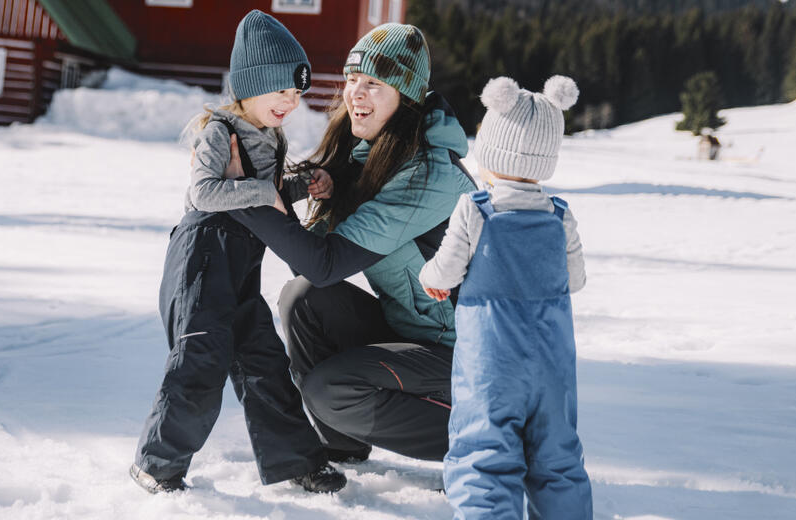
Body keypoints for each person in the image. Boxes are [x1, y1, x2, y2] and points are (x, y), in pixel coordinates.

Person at [227, 23, 477, 463]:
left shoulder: (430, 177)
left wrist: (244, 198)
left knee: (332, 391)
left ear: (407, 97)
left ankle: (482, 439)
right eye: (353, 80)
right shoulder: (369, 155)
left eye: (375, 85)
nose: (355, 94)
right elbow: (311, 268)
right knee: (302, 298)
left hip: (463, 356)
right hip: (410, 330)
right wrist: (283, 187)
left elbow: (324, 263)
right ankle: (341, 442)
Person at [130, 10, 345, 495]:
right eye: (282, 91)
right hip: (202, 262)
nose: (292, 102)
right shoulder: (219, 132)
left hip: (241, 268)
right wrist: (261, 192)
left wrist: (302, 185)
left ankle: (298, 460)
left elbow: (261, 192)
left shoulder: (268, 135)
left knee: (265, 362)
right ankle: (157, 465)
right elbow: (207, 193)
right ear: (250, 85)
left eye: (297, 93)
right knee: (200, 363)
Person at [418, 76, 592, 519]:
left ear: (491, 151)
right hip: (553, 368)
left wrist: (431, 279)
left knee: (484, 456)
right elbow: (575, 280)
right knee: (558, 459)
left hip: (491, 367)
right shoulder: (559, 216)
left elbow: (446, 269)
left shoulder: (476, 210)